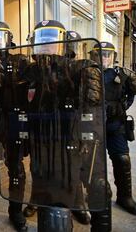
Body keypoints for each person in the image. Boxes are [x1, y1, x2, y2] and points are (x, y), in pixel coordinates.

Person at [22, 20, 110, 231]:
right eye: (40, 40)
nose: (43, 45)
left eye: (50, 40)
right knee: (42, 180)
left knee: (77, 181)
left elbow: (93, 110)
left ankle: (79, 204)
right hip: (40, 139)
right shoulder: (31, 72)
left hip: (69, 138)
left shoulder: (80, 69)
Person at [0, 21, 28, 231]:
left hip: (11, 119)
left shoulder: (20, 61)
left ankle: (15, 210)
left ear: (9, 39)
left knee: (16, 167)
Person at [91, 41, 136, 215]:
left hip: (115, 125)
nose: (104, 58)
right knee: (93, 162)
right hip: (93, 125)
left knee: (122, 159)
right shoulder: (87, 73)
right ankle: (97, 195)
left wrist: (121, 106)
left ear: (113, 57)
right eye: (100, 54)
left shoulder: (122, 74)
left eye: (107, 55)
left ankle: (125, 197)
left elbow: (131, 92)